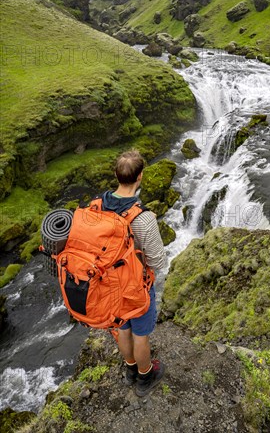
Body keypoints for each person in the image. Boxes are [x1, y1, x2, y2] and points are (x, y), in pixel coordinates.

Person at [101, 149, 166, 397]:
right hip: (135, 286)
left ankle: (129, 369)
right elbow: (158, 261)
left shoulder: (97, 207)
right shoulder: (144, 218)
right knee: (141, 334)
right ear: (140, 177)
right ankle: (145, 376)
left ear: (116, 175)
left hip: (108, 283)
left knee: (122, 327)